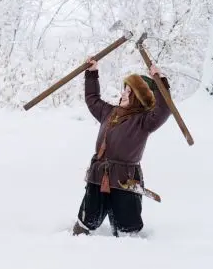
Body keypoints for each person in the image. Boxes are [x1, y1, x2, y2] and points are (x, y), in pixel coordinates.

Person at [72, 58, 171, 237]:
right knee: (86, 221)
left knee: (127, 227)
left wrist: (160, 82)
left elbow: (164, 110)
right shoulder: (108, 112)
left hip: (125, 181)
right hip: (98, 175)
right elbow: (92, 99)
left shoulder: (144, 121)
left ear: (139, 98)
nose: (124, 94)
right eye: (124, 90)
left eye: (129, 92)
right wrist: (92, 73)